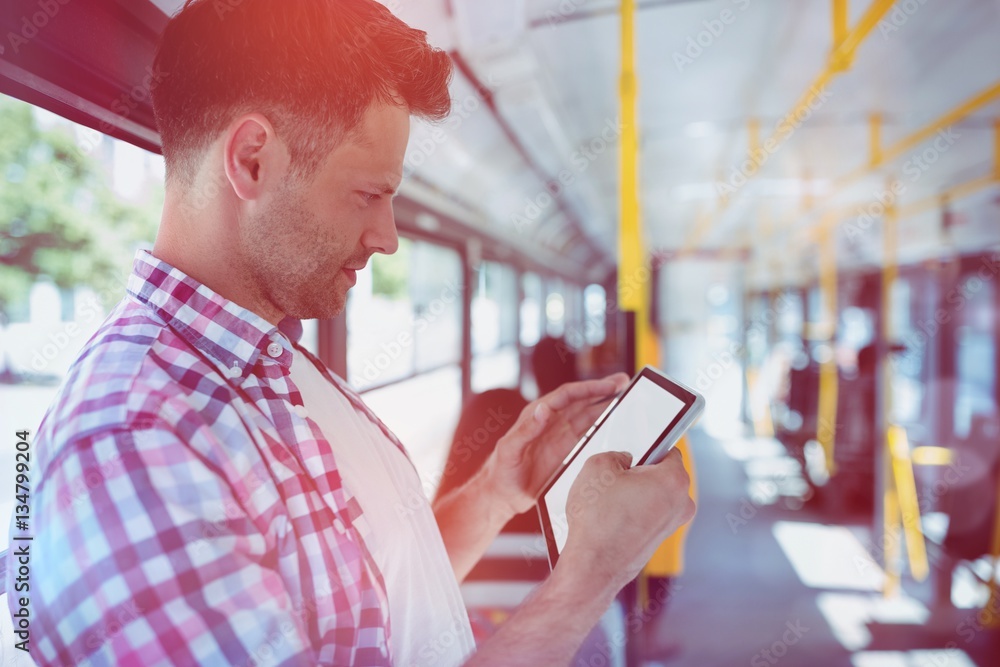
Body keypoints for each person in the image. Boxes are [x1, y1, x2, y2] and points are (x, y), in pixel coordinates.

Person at [8, 1, 695, 665]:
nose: (388, 238)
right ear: (252, 160)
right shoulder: (135, 441)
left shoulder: (270, 362)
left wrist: (495, 490)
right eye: (369, 194)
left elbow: (362, 608)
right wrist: (590, 575)